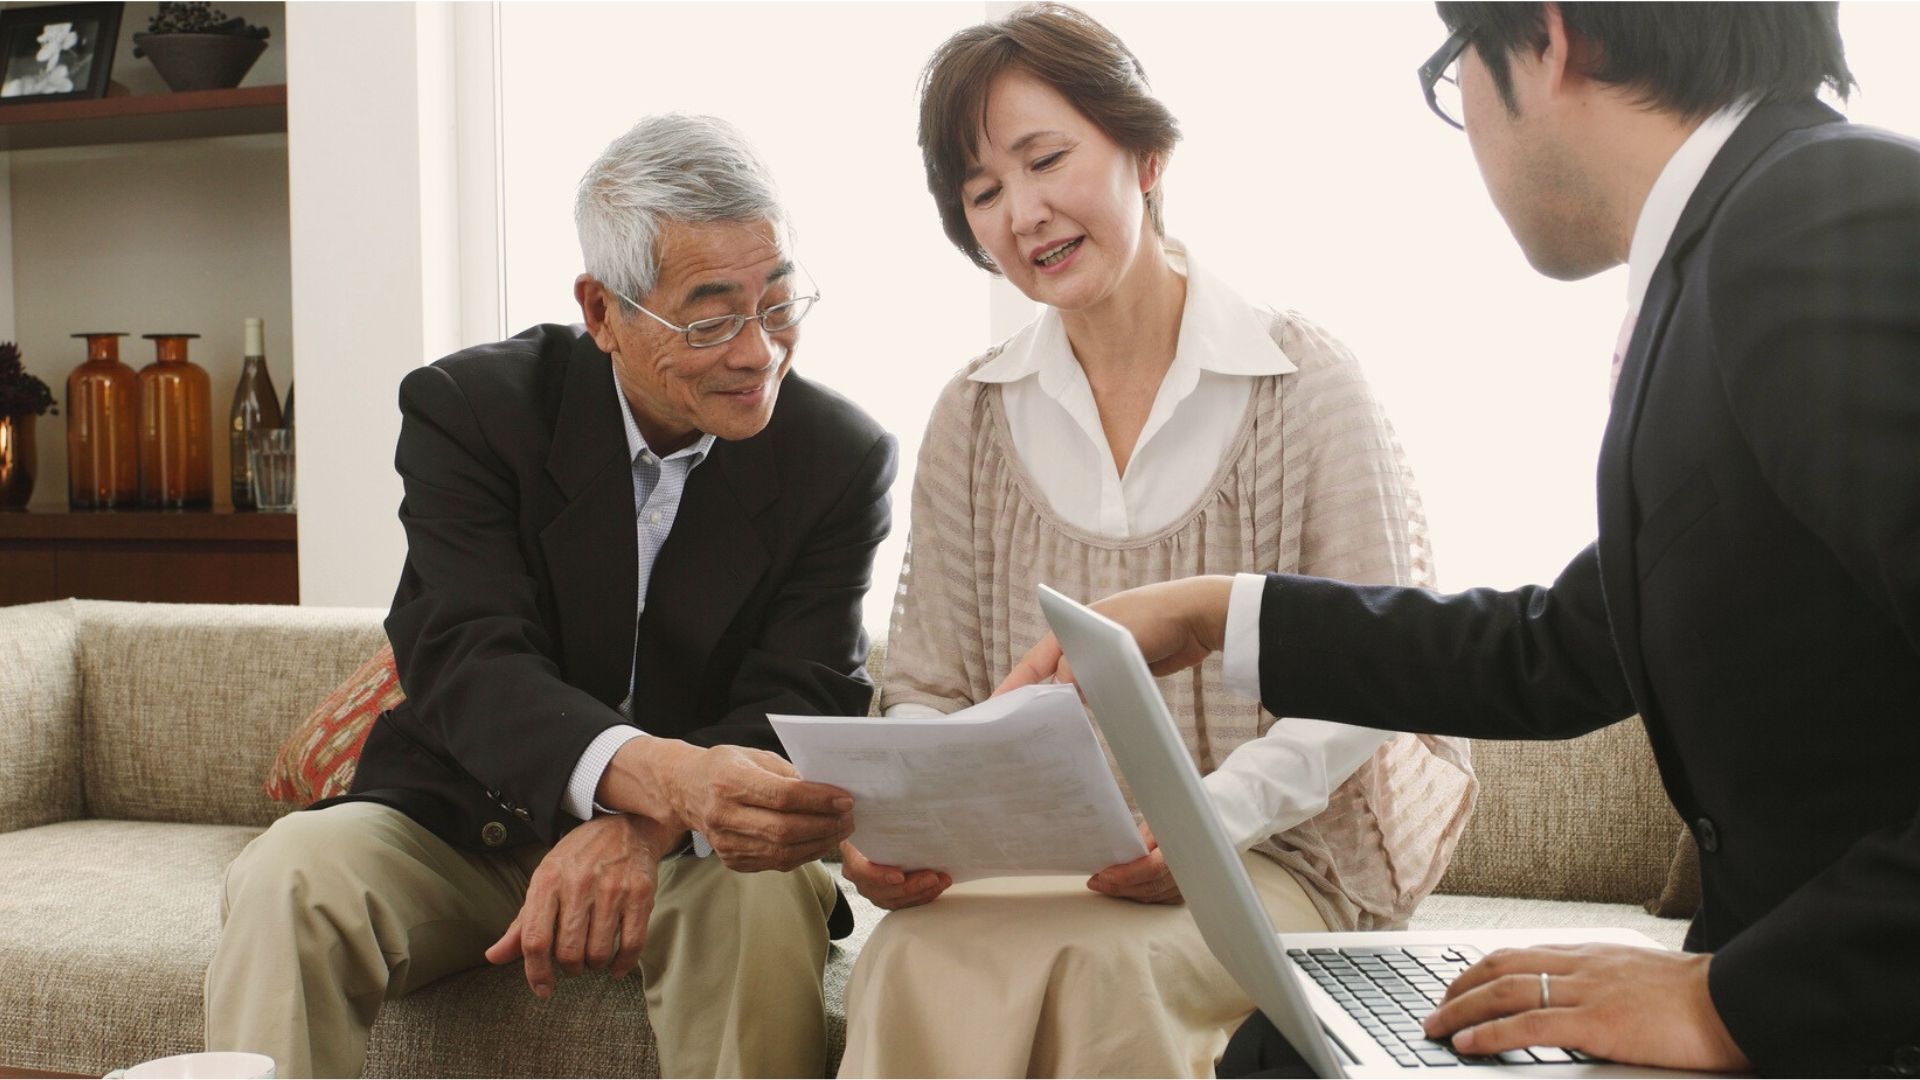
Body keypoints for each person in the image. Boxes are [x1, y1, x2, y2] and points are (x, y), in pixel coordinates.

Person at [1002, 2, 1920, 1075]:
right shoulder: (1735, 243)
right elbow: (1565, 648)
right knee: (1293, 1045)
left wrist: (1731, 1004)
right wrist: (1221, 613)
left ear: (1551, 37)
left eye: (1454, 77)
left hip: (1849, 1021)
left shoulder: (1822, 219)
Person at [833, 6, 1477, 1077]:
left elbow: (1374, 674)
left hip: (1282, 852)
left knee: (1108, 969)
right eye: (984, 190)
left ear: (1148, 150)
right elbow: (928, 685)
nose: (1023, 212)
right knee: (905, 955)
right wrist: (913, 822)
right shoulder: (975, 414)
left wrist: (1204, 823)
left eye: (1046, 159)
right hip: (1046, 864)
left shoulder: (1301, 382)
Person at [203, 114, 898, 1079]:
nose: (756, 352)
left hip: (693, 857)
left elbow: (806, 700)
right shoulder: (473, 412)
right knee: (289, 877)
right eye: (709, 317)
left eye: (777, 303)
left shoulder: (838, 457)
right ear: (602, 311)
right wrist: (643, 776)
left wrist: (646, 822)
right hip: (466, 818)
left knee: (760, 893)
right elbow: (467, 657)